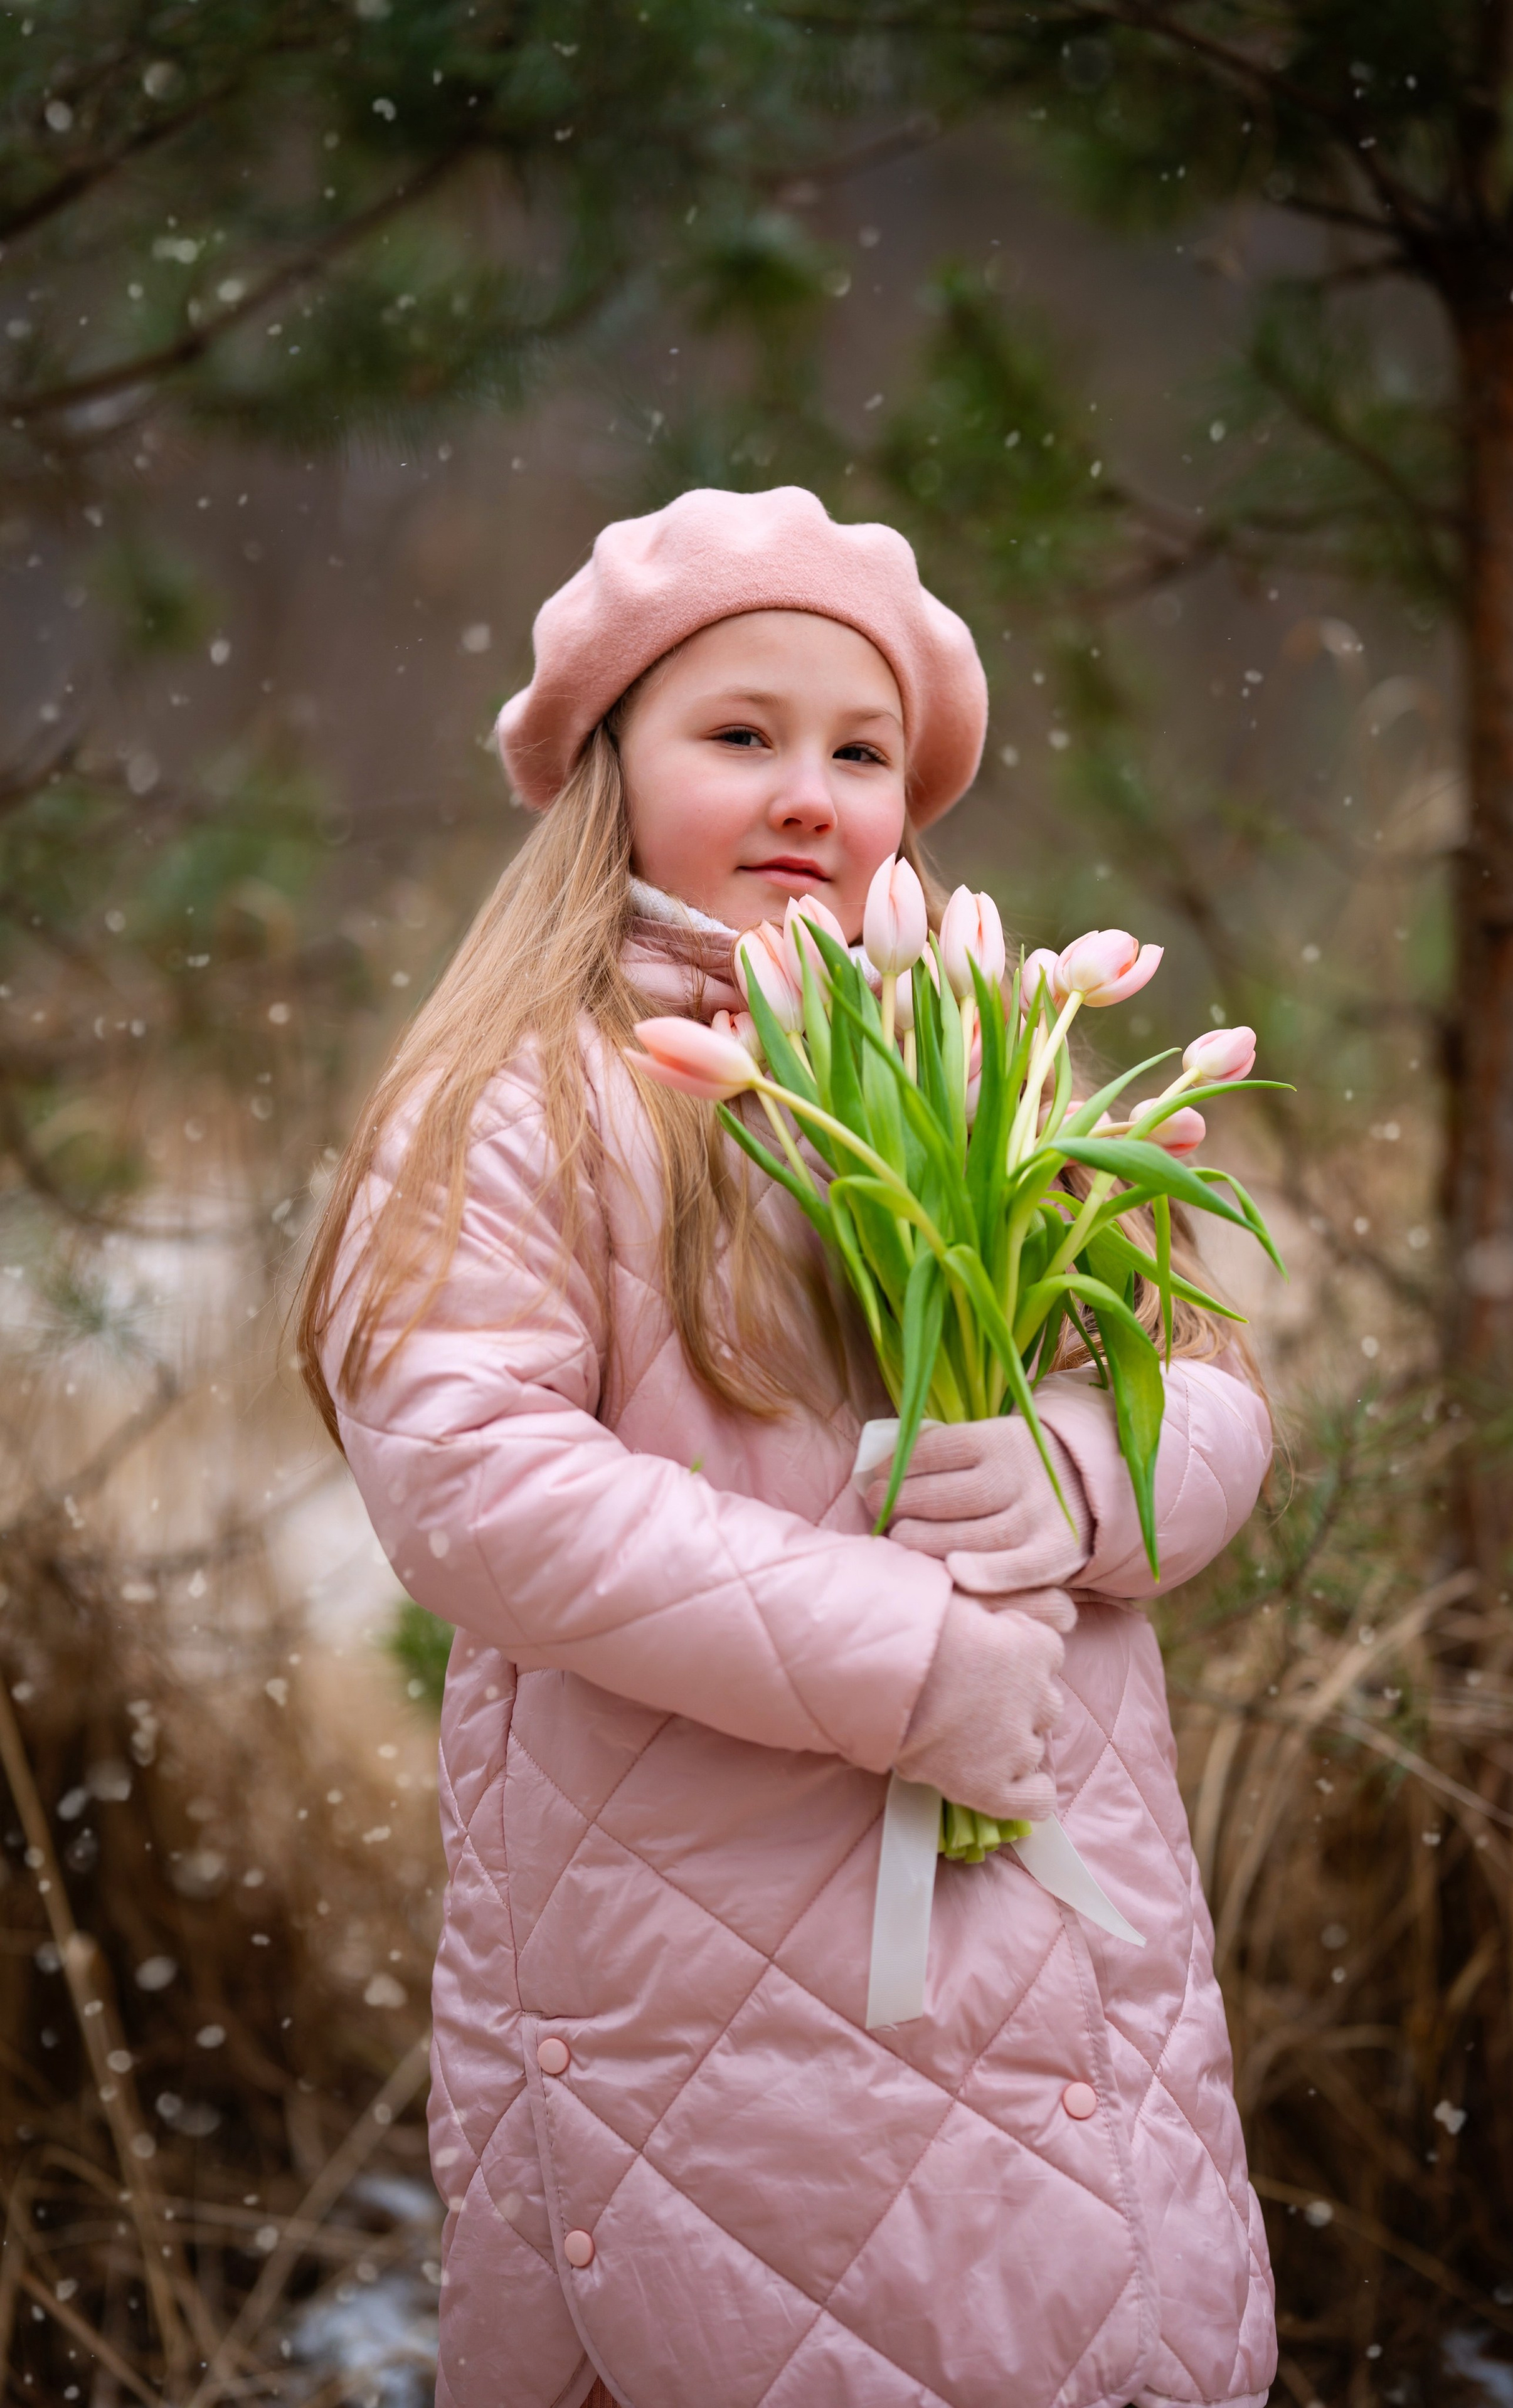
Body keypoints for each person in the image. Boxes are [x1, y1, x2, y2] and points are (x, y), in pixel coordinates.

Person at [298, 487, 1277, 2408]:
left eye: (861, 753)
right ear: (609, 771)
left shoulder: (991, 1062)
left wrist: (1087, 1471)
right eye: (739, 736)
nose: (810, 792)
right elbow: (475, 1483)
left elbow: (1215, 1386)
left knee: (1088, 2327)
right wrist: (897, 1653)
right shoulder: (539, 1097)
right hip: (720, 1974)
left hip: (1062, 1919)